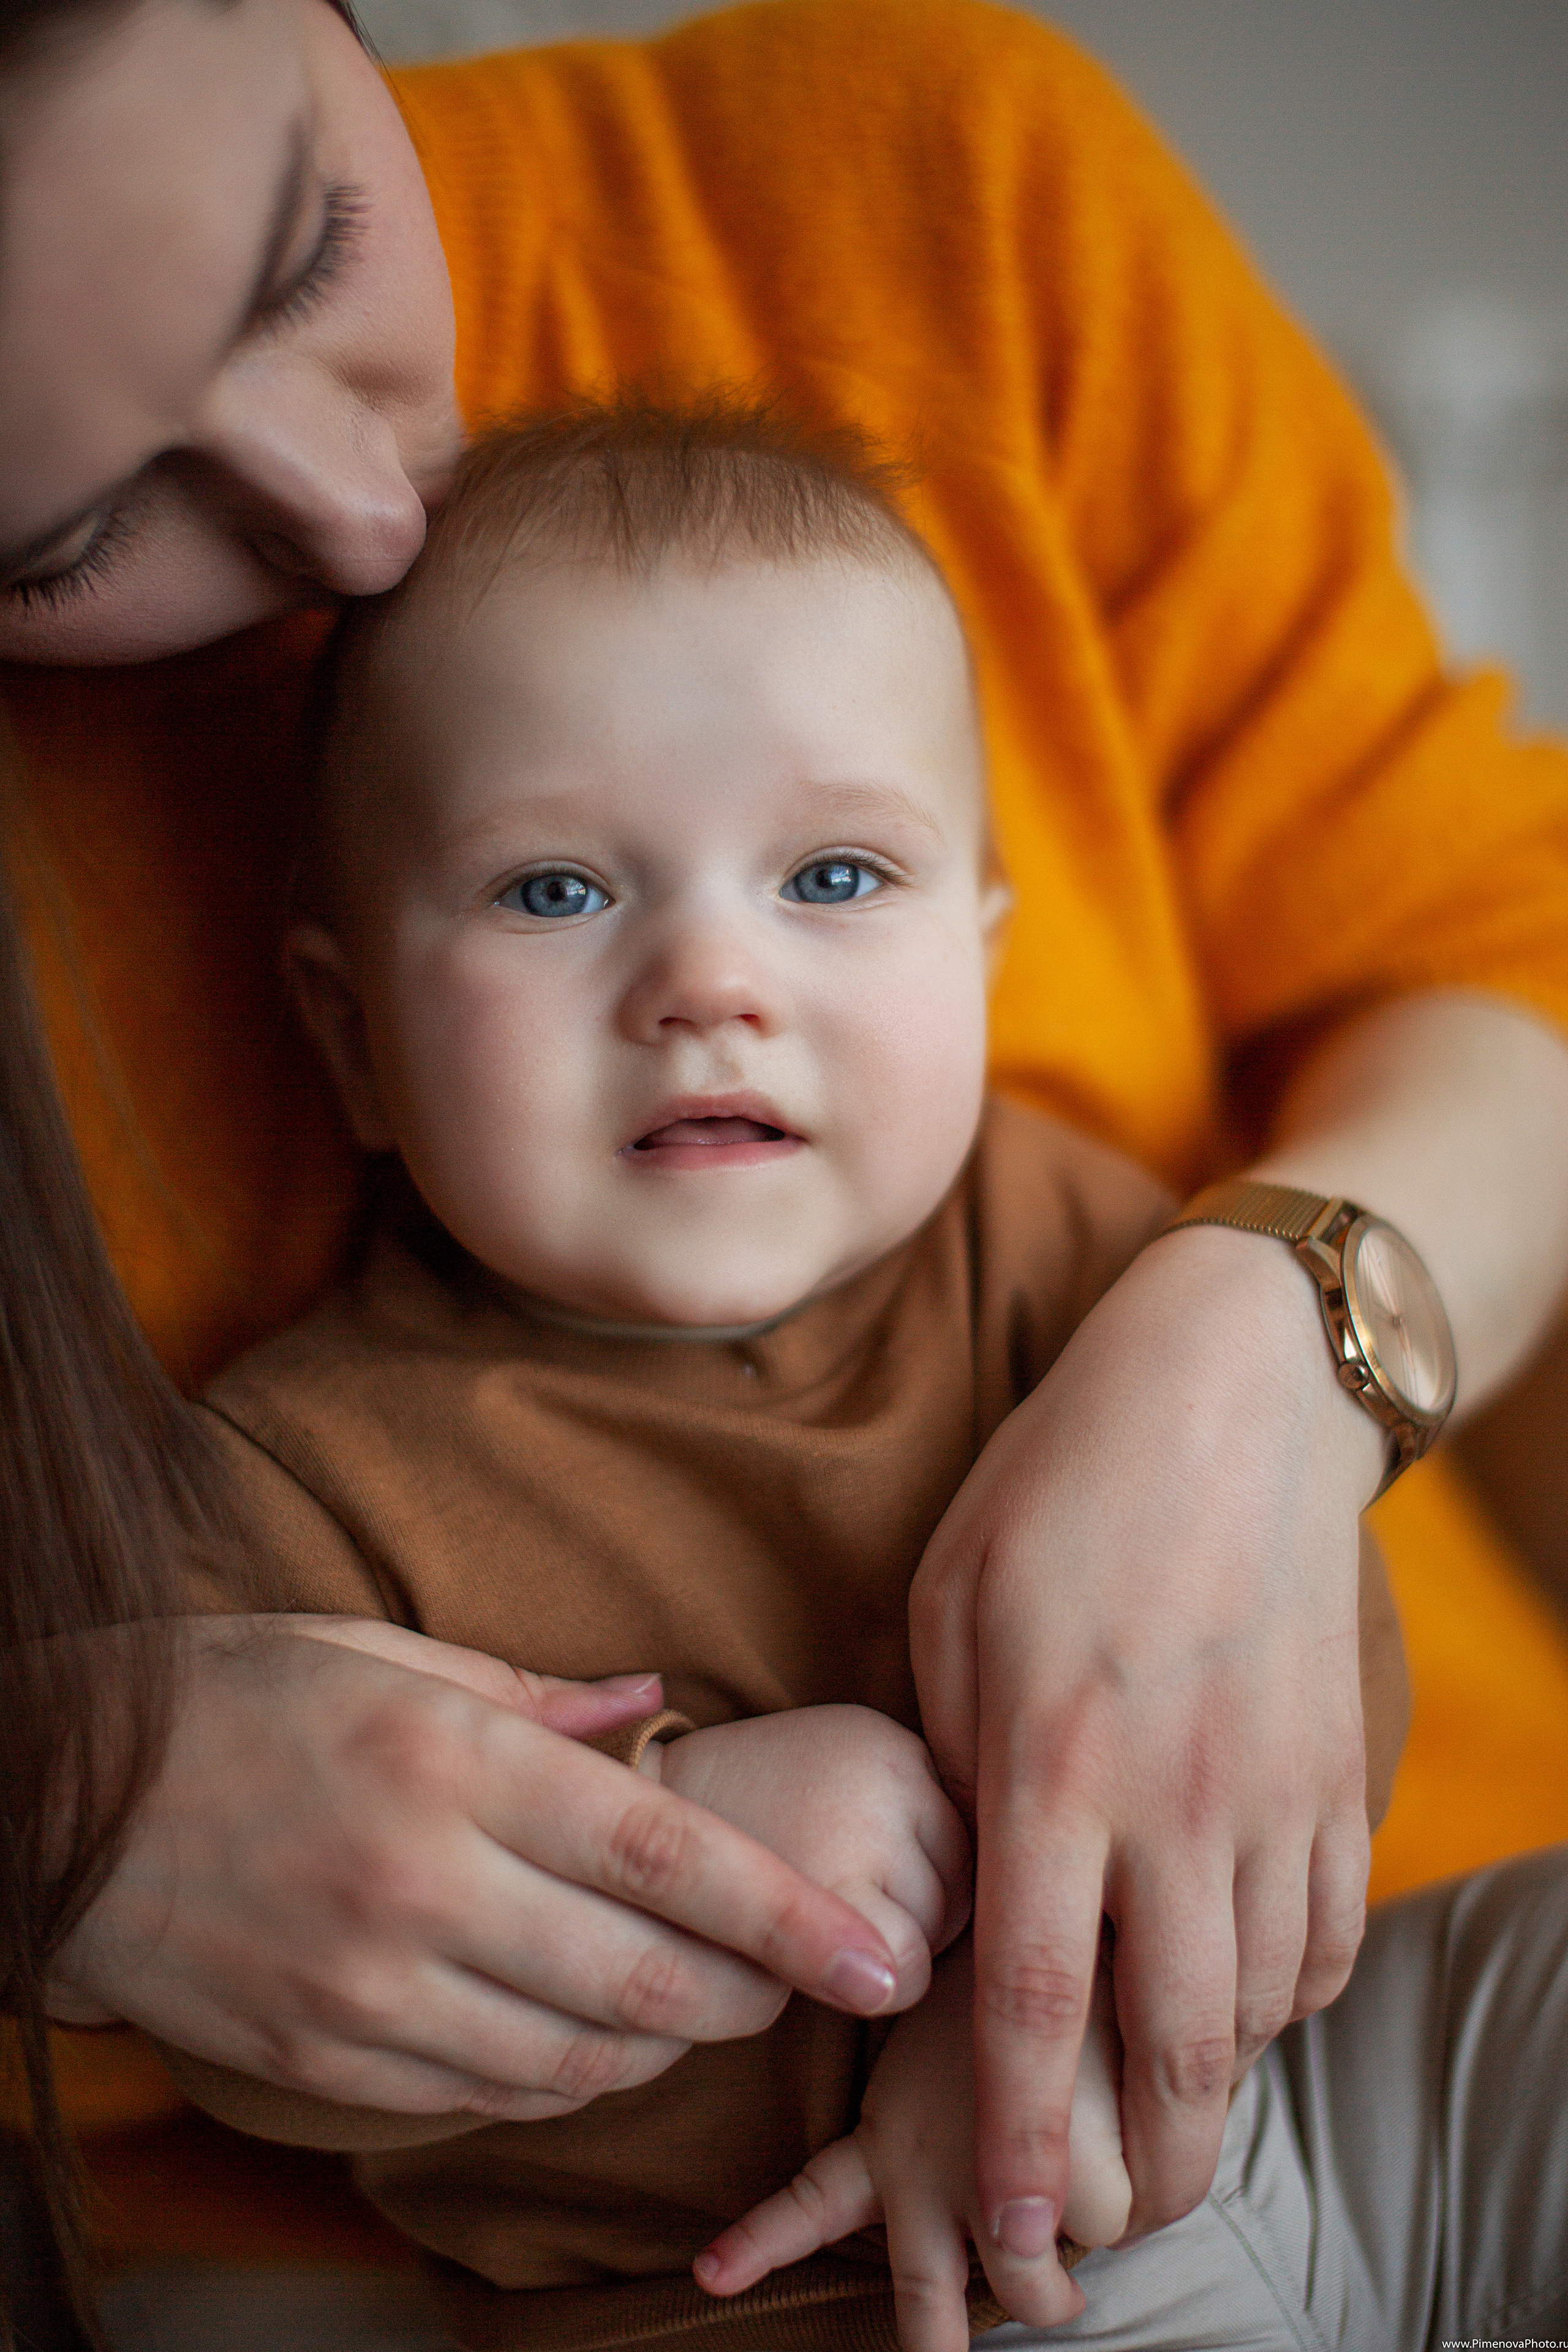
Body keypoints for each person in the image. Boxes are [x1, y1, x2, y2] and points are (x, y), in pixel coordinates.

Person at [2, 0, 1568, 2342]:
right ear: (340, 1030)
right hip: (828, 2280)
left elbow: (1303, 1636)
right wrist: (727, 1860)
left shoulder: (1048, 1228)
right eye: (555, 895)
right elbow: (358, 2062)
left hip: (1334, 2071)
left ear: (986, 942)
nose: (708, 986)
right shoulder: (301, 1490)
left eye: (836, 885)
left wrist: (1272, 1370)